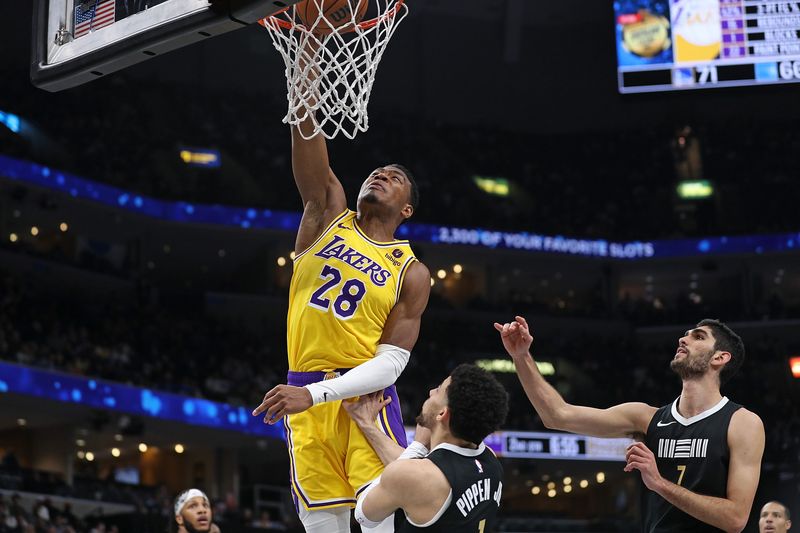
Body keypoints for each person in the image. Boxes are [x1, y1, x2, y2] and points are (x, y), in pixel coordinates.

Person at [251, 99, 431, 532]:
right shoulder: (327, 214)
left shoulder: (411, 271)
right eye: (377, 171)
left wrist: (318, 395)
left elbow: (391, 364)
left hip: (363, 399)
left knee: (375, 520)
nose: (381, 175)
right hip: (303, 388)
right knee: (322, 525)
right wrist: (304, 89)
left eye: (396, 177)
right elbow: (310, 150)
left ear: (407, 210)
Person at [494, 315, 764, 532]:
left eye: (698, 336)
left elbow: (735, 519)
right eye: (687, 333)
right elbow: (557, 416)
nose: (683, 338)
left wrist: (659, 483)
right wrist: (521, 357)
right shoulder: (646, 417)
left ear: (720, 357)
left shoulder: (743, 423)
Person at [344, 364, 509, 532]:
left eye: (438, 390)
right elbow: (410, 476)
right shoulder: (490, 461)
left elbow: (364, 516)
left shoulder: (419, 476)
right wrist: (367, 425)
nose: (431, 392)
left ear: (442, 414)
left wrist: (418, 445)